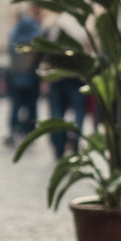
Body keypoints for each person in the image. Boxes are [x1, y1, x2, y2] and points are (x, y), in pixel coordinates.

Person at [41, 10, 88, 158]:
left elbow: (46, 50)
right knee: (78, 112)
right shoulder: (80, 24)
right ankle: (74, 144)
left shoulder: (54, 23)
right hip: (76, 74)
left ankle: (59, 148)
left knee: (57, 112)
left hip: (57, 75)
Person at [5, 3, 41, 145]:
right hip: (31, 76)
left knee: (16, 105)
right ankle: (30, 131)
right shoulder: (35, 35)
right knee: (31, 106)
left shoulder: (15, 34)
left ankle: (14, 129)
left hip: (16, 76)